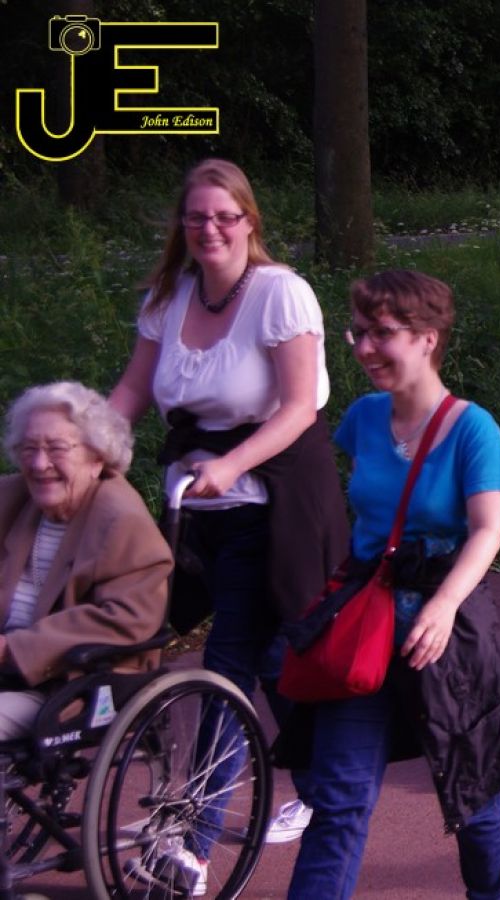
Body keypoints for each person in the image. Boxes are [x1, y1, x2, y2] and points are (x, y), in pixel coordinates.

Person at [280, 270, 500, 900]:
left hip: (446, 633)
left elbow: (489, 529)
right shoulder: (362, 419)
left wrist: (444, 604)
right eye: (358, 332)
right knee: (341, 800)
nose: (364, 348)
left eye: (382, 333)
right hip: (367, 629)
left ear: (428, 338)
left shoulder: (473, 429)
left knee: (472, 795)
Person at [108, 158, 349, 864]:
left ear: (249, 221)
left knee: (225, 666)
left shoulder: (280, 294)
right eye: (196, 217)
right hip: (189, 511)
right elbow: (131, 392)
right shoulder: (170, 297)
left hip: (268, 505)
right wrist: (79, 450)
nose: (209, 228)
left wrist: (232, 464)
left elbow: (299, 408)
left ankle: (192, 843)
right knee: (270, 656)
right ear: (181, 226)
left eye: (224, 216)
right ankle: (335, 781)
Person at [0, 382, 171, 738]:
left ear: (97, 458)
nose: (39, 463)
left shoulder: (122, 520)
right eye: (29, 448)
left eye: (57, 449)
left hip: (67, 684)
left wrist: (15, 648)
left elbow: (127, 616)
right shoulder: (11, 498)